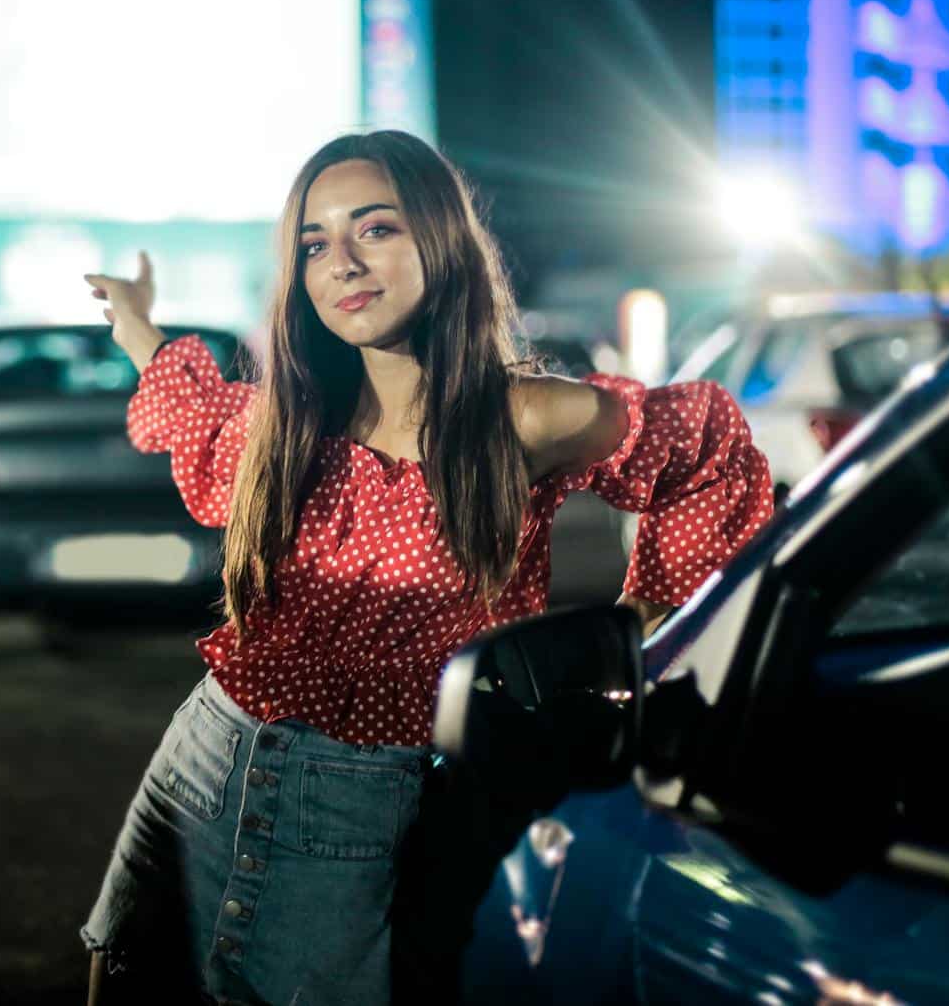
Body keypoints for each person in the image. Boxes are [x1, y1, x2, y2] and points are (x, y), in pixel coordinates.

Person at [78, 131, 774, 1005]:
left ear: (440, 240)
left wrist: (644, 621)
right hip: (200, 765)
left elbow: (706, 449)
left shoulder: (519, 417)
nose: (342, 262)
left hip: (360, 806)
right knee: (124, 980)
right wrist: (137, 318)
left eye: (375, 229)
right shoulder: (288, 421)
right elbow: (194, 406)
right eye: (315, 244)